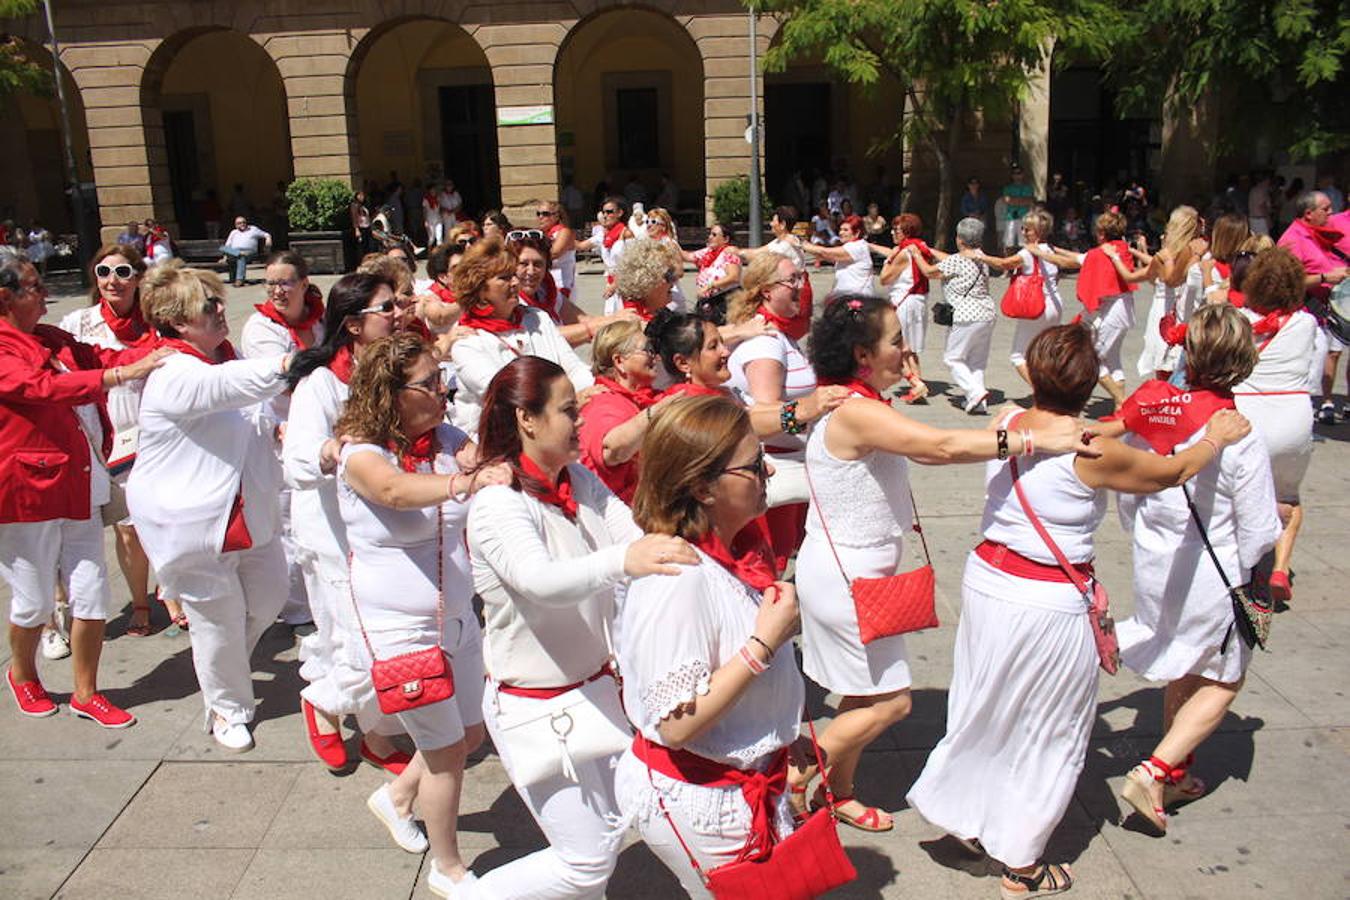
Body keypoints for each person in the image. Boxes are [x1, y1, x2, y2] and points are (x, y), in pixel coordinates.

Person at [906, 323, 1251, 899]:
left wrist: (1140, 415)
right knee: (1050, 726)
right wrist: (1213, 437)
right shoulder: (1093, 453)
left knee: (984, 705)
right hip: (1048, 601)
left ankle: (965, 816)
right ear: (1089, 381)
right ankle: (1021, 862)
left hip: (990, 580)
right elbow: (1171, 473)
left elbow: (1091, 429)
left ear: (1034, 374)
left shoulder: (1009, 424)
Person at [793, 294, 1093, 830]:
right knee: (892, 703)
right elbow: (940, 447)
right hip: (846, 581)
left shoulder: (862, 403)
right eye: (895, 341)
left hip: (857, 576)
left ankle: (837, 793)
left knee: (862, 692)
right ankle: (790, 772)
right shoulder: (858, 411)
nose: (906, 352)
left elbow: (939, 445)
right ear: (863, 354)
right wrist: (1032, 437)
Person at [467, 356, 695, 898]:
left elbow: (632, 533)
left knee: (627, 827)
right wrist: (626, 562)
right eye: (570, 411)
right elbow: (541, 580)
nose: (582, 423)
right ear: (527, 419)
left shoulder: (579, 479)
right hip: (539, 708)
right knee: (585, 864)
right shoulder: (499, 503)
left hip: (598, 692)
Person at [614, 395, 808, 893]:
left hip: (740, 783)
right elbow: (677, 724)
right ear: (702, 485)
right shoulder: (679, 581)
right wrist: (764, 643)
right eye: (752, 464)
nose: (766, 468)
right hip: (701, 797)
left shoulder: (732, 552)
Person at [337, 333, 508, 895]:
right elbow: (395, 491)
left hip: (457, 615)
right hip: (397, 628)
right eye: (429, 383)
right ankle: (448, 867)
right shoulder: (361, 452)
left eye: (442, 379)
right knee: (443, 754)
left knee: (471, 731)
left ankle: (395, 799)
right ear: (390, 393)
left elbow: (479, 460)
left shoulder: (445, 436)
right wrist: (467, 481)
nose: (443, 390)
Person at [1110, 305, 1282, 834]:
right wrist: (1265, 574)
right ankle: (1155, 769)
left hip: (1156, 563)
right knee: (1224, 679)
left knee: (1184, 662)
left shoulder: (1159, 414)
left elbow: (1131, 492)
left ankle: (1177, 772)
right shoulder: (1239, 432)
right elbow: (1257, 530)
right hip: (1214, 575)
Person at [127, 263, 292, 752]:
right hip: (192, 522)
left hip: (246, 510)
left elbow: (247, 407)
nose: (222, 311)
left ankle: (223, 669)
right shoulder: (172, 371)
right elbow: (232, 388)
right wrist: (290, 363)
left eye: (219, 302)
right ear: (178, 322)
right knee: (216, 620)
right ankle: (227, 707)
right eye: (208, 306)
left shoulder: (224, 356)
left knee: (268, 598)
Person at [1, 254, 168, 727]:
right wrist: (122, 376)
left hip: (79, 482)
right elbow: (41, 388)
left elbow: (103, 356)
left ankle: (86, 692)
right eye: (33, 286)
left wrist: (161, 350)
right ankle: (23, 675)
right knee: (32, 601)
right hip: (26, 494)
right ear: (4, 297)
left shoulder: (52, 338)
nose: (44, 294)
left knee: (91, 592)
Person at [281, 273, 404, 772]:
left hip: (380, 526)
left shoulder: (391, 371)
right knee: (344, 635)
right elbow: (296, 462)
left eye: (398, 304)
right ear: (354, 325)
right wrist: (329, 451)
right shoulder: (321, 384)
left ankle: (378, 737)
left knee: (378, 636)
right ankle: (324, 704)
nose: (398, 313)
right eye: (386, 307)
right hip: (331, 532)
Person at [58, 244, 184, 638]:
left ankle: (170, 591)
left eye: (123, 271)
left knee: (161, 518)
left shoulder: (156, 323)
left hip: (152, 434)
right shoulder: (78, 323)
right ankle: (138, 603)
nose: (113, 280)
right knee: (123, 527)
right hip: (99, 436)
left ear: (139, 278)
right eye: (103, 272)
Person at [725, 253, 852, 569]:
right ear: (767, 291)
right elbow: (765, 417)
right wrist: (816, 410)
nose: (801, 286)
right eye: (792, 280)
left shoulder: (778, 337)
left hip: (789, 466)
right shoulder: (766, 344)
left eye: (802, 277)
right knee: (772, 565)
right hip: (776, 470)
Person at [241, 251, 326, 634]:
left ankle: (318, 597)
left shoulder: (320, 320)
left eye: (285, 282)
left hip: (322, 428)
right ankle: (296, 609)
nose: (277, 290)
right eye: (271, 282)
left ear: (304, 284)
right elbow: (288, 381)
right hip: (282, 433)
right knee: (289, 522)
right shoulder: (260, 328)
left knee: (321, 515)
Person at [1231, 248, 1320, 603]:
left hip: (1248, 415)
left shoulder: (1238, 320)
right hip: (1293, 417)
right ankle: (1280, 567)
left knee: (1239, 494)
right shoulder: (1306, 323)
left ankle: (1244, 567)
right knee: (1288, 498)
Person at [448, 238, 593, 436]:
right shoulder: (468, 343)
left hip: (555, 428)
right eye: (504, 278)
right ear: (480, 290)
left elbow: (573, 368)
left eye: (513, 275)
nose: (515, 282)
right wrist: (572, 400)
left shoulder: (537, 318)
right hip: (499, 443)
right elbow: (509, 395)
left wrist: (590, 391)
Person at [1275, 191, 1350, 423]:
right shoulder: (1292, 239)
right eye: (1325, 209)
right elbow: (1285, 281)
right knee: (1301, 378)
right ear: (1309, 214)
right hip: (1301, 316)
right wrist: (1326, 276)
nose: (1330, 213)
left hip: (1316, 319)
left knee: (1309, 377)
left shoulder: (1313, 235)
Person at [913, 217, 997, 414]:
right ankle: (977, 402)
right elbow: (949, 260)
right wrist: (931, 250)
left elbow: (929, 272)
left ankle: (975, 392)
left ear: (959, 239)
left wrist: (917, 254)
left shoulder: (956, 261)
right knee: (976, 362)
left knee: (953, 358)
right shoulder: (981, 258)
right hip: (986, 313)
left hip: (965, 315)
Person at [577, 319, 668, 502]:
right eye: (647, 350)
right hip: (622, 517)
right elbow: (612, 450)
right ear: (619, 361)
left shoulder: (649, 398)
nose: (655, 356)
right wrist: (658, 412)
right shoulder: (603, 403)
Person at [980, 210, 1070, 385]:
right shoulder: (1050, 249)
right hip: (1055, 304)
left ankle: (1042, 391)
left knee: (1018, 355)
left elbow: (1004, 264)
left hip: (1037, 306)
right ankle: (1053, 383)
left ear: (1037, 232)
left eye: (1027, 229)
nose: (1023, 232)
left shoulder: (1027, 252)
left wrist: (982, 257)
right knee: (1044, 351)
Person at [1076, 210, 1148, 409]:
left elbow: (1080, 265)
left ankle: (1122, 402)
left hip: (1115, 310)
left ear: (1101, 232)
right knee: (1113, 358)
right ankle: (1119, 406)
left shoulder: (1100, 253)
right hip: (1123, 308)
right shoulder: (1123, 248)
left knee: (1093, 358)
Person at [511, 231, 631, 347]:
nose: (531, 271)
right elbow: (544, 337)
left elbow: (583, 319)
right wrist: (601, 325)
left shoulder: (546, 291)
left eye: (538, 264)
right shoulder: (509, 300)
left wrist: (619, 321)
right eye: (523, 264)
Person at [1129, 206, 1206, 380]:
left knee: (1168, 364)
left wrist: (1165, 259)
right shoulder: (1195, 248)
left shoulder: (1179, 253)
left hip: (1173, 310)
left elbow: (1169, 280)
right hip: (1186, 308)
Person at [879, 213, 935, 402]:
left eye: (897, 230)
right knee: (910, 349)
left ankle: (916, 383)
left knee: (899, 347)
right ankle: (918, 386)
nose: (893, 233)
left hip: (904, 301)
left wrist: (888, 261)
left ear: (906, 232)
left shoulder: (903, 253)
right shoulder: (921, 247)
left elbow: (884, 278)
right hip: (919, 300)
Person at [649, 308, 734, 399]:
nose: (726, 352)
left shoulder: (720, 395)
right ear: (683, 363)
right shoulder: (695, 408)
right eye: (713, 347)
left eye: (722, 342)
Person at [604, 237, 682, 323]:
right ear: (648, 282)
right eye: (669, 275)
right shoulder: (633, 323)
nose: (674, 282)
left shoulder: (659, 314)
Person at [797, 214, 877, 295]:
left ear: (857, 233)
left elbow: (824, 252)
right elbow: (826, 256)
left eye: (846, 230)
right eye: (840, 229)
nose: (841, 233)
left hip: (858, 298)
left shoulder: (856, 247)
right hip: (847, 296)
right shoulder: (856, 245)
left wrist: (800, 243)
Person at [681, 223, 741, 321]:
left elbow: (734, 276)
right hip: (708, 302)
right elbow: (687, 256)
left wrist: (709, 286)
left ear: (726, 239)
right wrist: (669, 240)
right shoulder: (708, 252)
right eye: (710, 234)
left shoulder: (730, 252)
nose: (709, 237)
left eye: (714, 235)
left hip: (724, 302)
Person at [576, 196, 634, 294]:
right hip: (611, 282)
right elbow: (581, 246)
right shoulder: (602, 234)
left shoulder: (626, 233)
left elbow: (632, 264)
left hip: (625, 284)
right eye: (603, 212)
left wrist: (615, 285)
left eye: (609, 212)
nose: (605, 215)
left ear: (620, 213)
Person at [535, 199, 578, 299]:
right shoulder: (541, 234)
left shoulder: (564, 232)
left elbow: (554, 253)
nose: (540, 217)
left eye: (545, 214)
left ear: (556, 216)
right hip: (544, 283)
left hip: (562, 284)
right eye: (538, 214)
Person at [219, 216, 273, 287]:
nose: (242, 224)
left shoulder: (253, 229)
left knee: (241, 257)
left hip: (250, 252)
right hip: (235, 252)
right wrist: (225, 257)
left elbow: (266, 234)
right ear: (236, 225)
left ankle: (239, 280)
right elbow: (227, 246)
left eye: (243, 222)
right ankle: (239, 255)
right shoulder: (233, 232)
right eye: (239, 223)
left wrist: (268, 239)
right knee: (223, 248)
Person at [1000, 165, 1034, 251]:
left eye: (1019, 173)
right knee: (1008, 243)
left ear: (1023, 175)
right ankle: (1007, 262)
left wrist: (1014, 200)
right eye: (1015, 173)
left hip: (1024, 217)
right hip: (1011, 217)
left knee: (1024, 243)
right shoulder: (1007, 188)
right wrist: (1022, 200)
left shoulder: (1028, 188)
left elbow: (1029, 201)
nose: (1017, 176)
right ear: (1012, 175)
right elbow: (1007, 200)